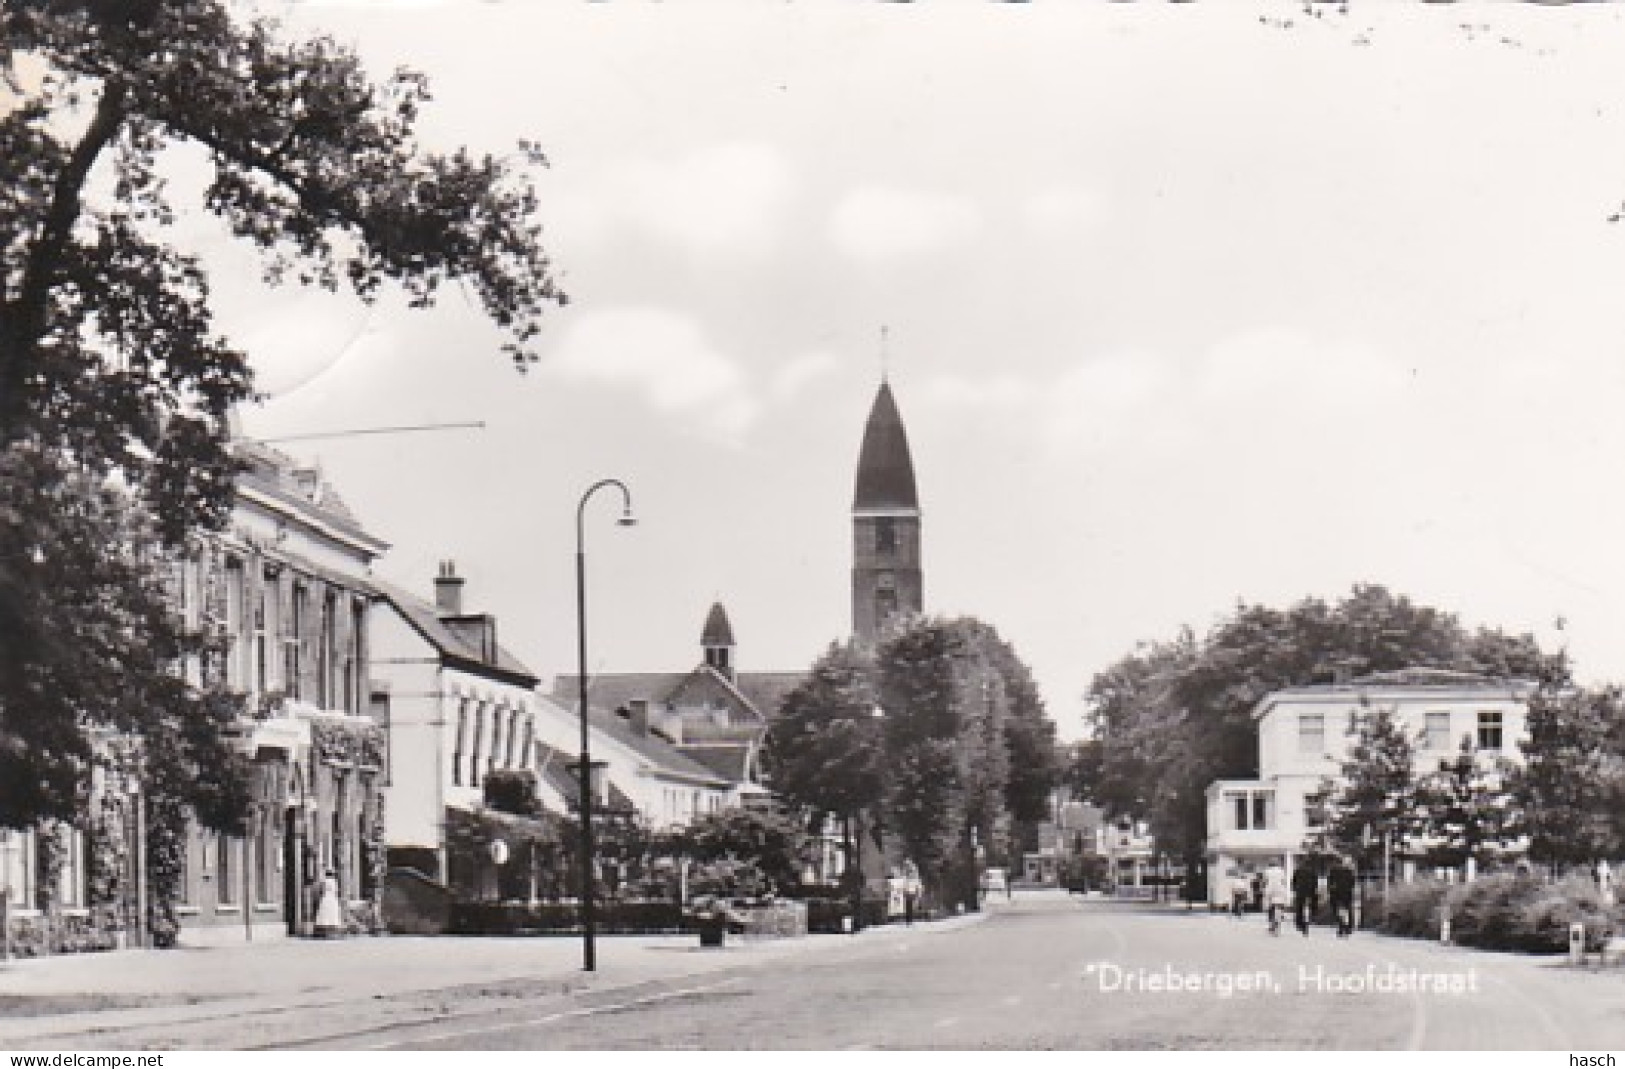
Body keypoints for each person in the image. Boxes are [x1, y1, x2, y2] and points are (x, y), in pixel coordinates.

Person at [1328, 855, 1357, 937]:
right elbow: (1352, 883)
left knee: (1337, 911)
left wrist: (1330, 890)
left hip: (1336, 894)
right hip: (1346, 894)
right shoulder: (1350, 872)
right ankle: (1348, 927)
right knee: (1348, 910)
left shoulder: (1334, 870)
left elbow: (1330, 882)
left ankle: (1342, 926)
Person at [1291, 858, 1319, 937]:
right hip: (1310, 892)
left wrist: (1294, 889)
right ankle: (1313, 916)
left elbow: (1294, 881)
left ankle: (1300, 924)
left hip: (1300, 892)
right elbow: (1315, 882)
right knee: (1312, 905)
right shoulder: (1313, 871)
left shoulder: (1298, 871)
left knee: (1299, 908)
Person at [314, 868, 343, 938]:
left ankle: (324, 931)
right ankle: (333, 931)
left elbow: (321, 891)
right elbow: (336, 891)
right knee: (332, 914)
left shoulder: (324, 881)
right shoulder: (334, 882)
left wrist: (320, 896)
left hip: (326, 898)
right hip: (332, 898)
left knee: (325, 914)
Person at [1263, 861, 1290, 935]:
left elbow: (1265, 881)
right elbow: (1284, 881)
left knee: (1270, 907)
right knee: (1280, 905)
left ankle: (1271, 923)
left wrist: (1264, 889)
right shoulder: (1281, 871)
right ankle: (1279, 918)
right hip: (1280, 889)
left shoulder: (1267, 871)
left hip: (1270, 889)